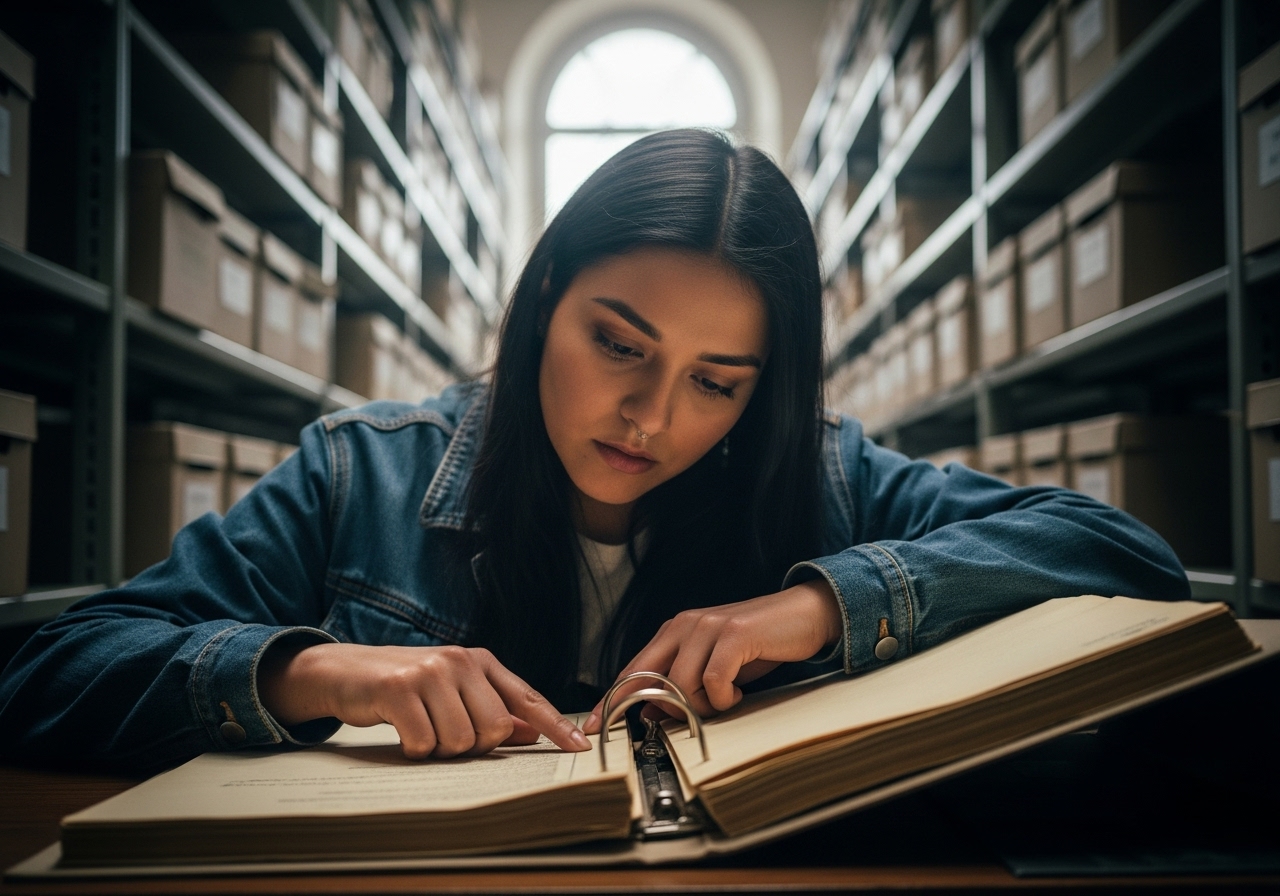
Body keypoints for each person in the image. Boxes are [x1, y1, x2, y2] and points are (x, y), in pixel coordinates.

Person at [0, 129, 1189, 775]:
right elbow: (47, 673)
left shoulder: (818, 473)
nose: (651, 417)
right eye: (617, 343)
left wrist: (825, 605)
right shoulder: (359, 469)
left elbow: (1121, 552)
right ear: (544, 301)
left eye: (716, 382)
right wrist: (316, 675)